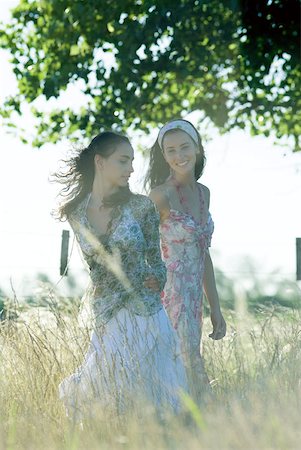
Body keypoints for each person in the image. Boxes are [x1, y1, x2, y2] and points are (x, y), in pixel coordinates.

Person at [54, 131, 188, 420]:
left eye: (132, 161)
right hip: (108, 311)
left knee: (155, 395)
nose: (131, 169)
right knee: (104, 384)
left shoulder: (141, 207)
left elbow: (156, 257)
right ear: (100, 163)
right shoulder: (76, 212)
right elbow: (94, 265)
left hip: (146, 310)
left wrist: (158, 277)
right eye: (123, 161)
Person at [145, 119, 226, 400]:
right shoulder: (159, 195)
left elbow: (203, 254)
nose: (179, 156)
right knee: (176, 363)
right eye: (170, 151)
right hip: (167, 294)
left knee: (190, 357)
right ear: (164, 156)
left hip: (194, 299)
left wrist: (215, 307)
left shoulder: (204, 193)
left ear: (197, 148)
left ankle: (190, 429)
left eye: (184, 147)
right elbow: (139, 245)